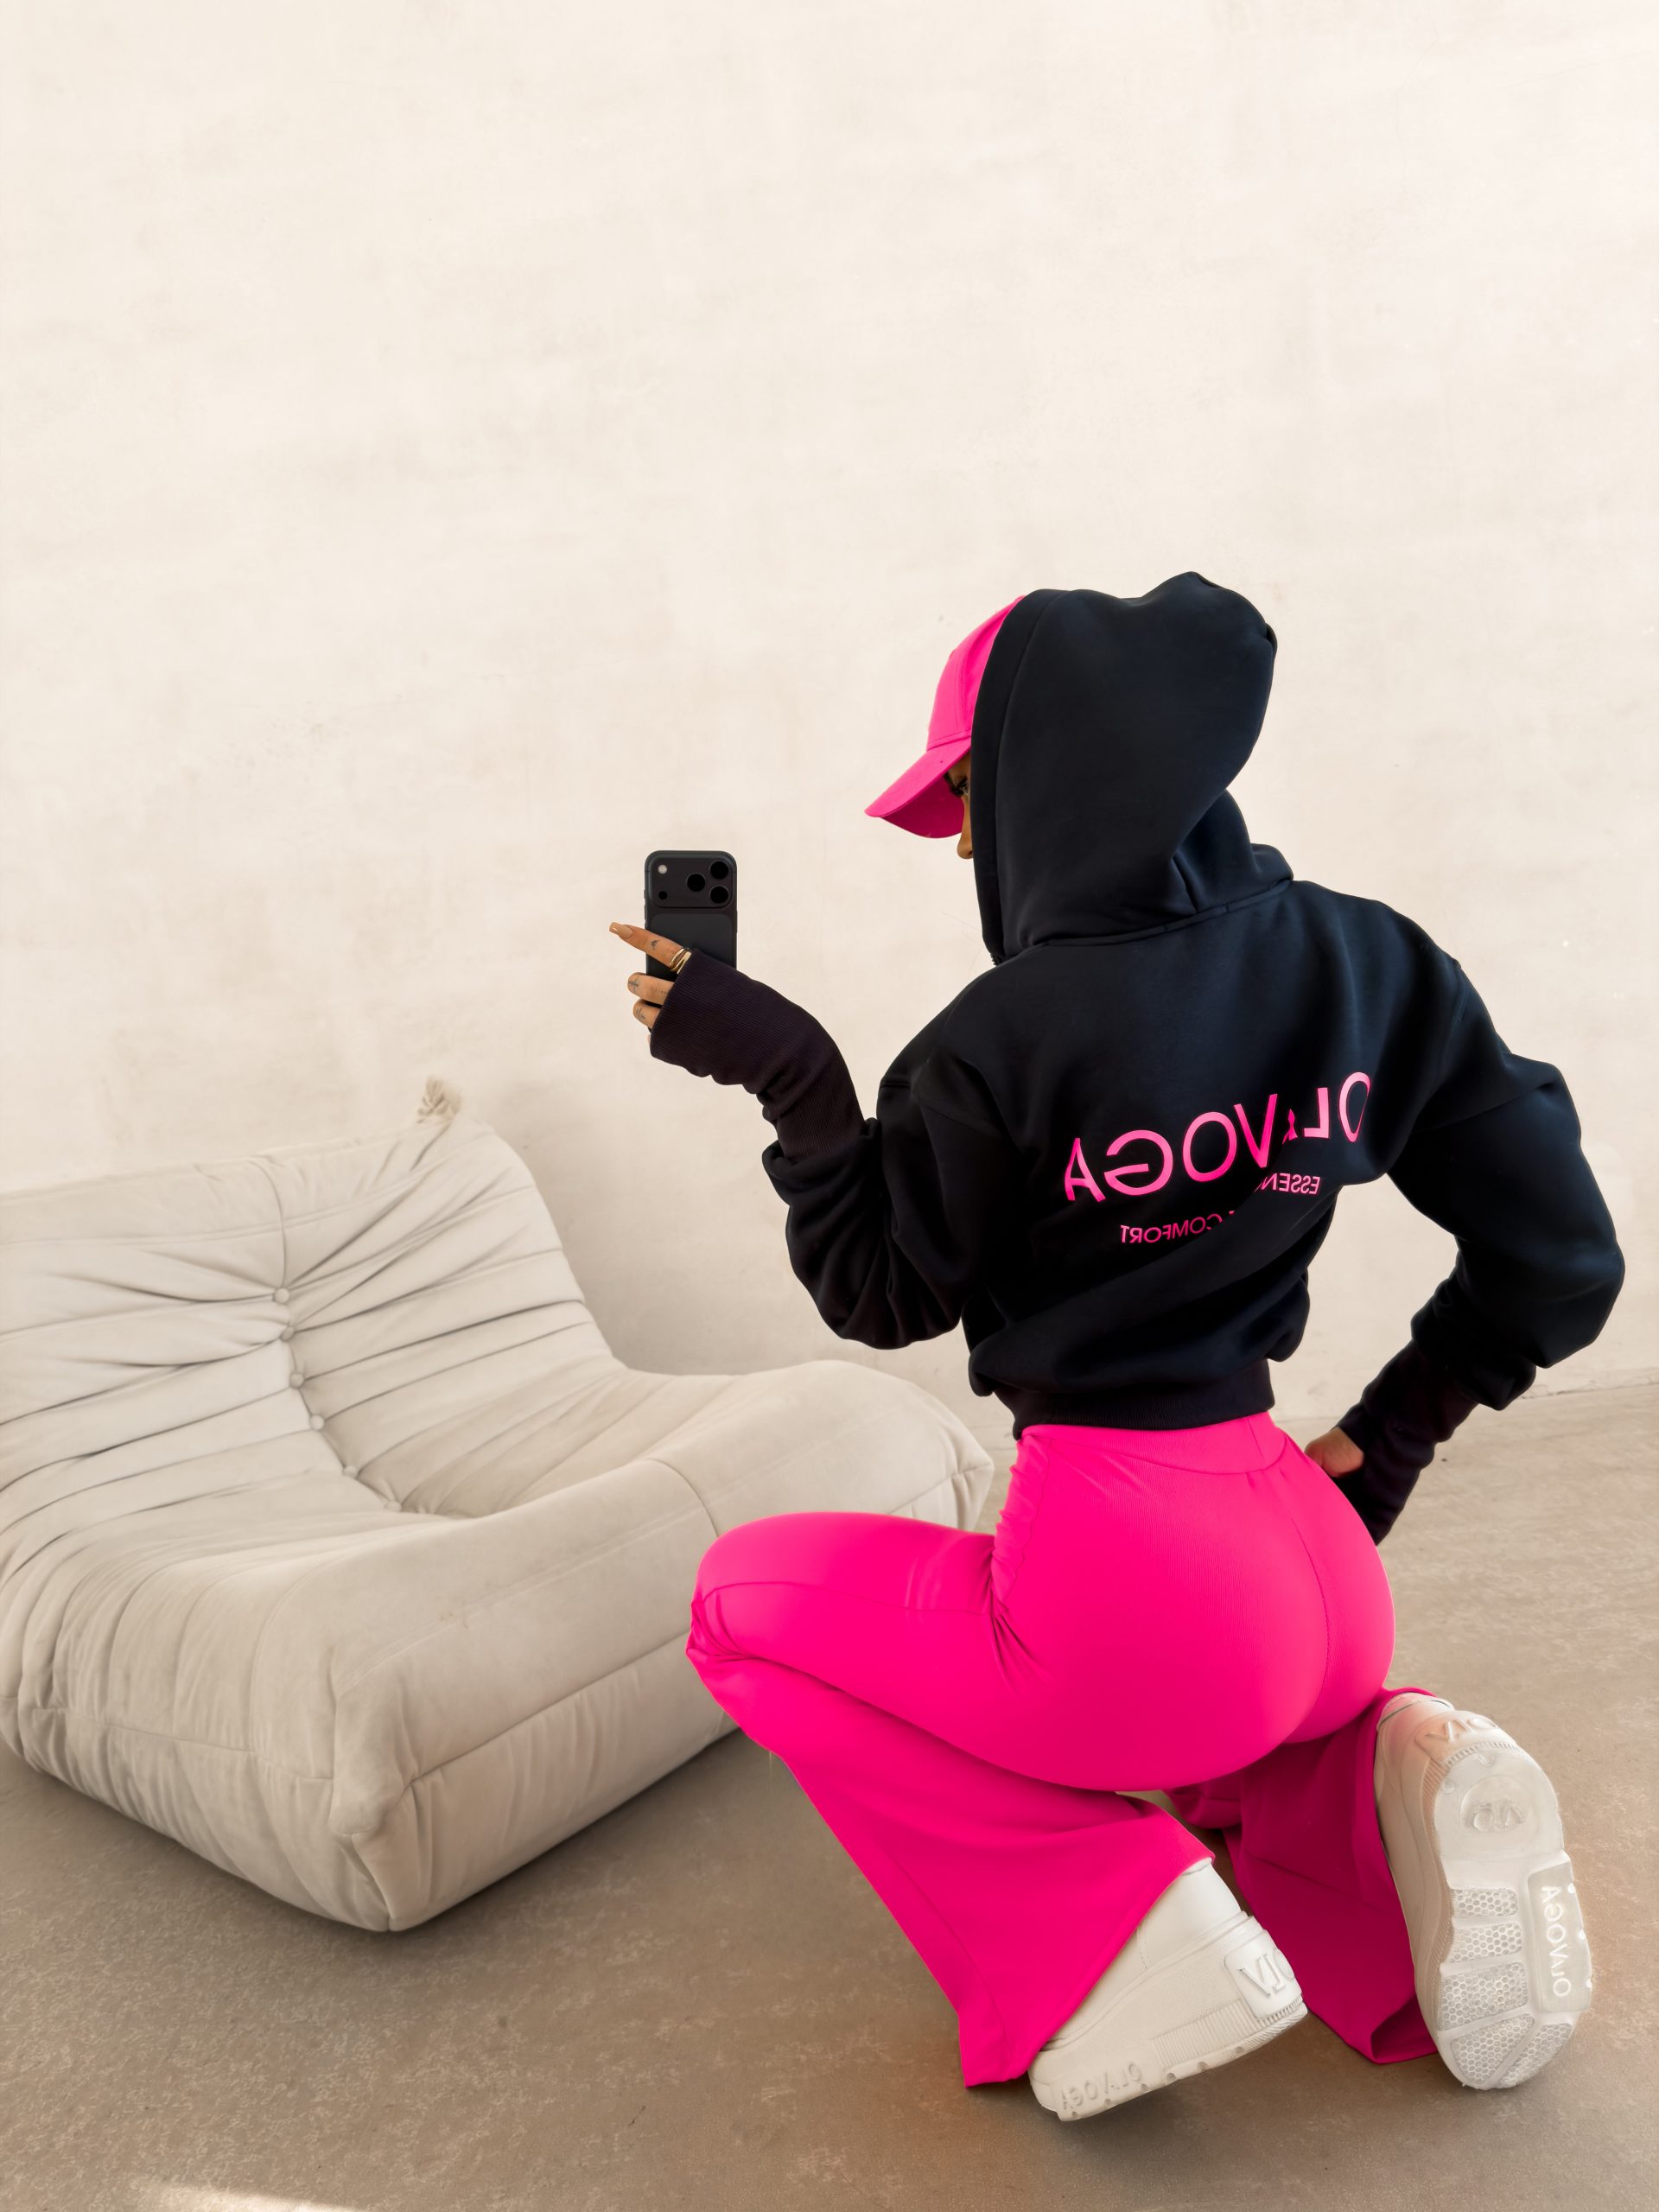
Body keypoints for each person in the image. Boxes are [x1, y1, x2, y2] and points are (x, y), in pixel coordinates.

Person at [606, 575, 1623, 2117]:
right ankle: (1361, 1780)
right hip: (1319, 1562)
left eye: (966, 798)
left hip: (1133, 1579)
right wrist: (1389, 1439)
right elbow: (1565, 1262)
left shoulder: (997, 1040)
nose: (964, 846)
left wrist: (799, 1081)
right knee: (1219, 1725)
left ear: (1039, 768)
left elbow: (879, 1295)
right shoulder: (1369, 962)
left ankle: (1110, 1931)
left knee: (740, 1604)